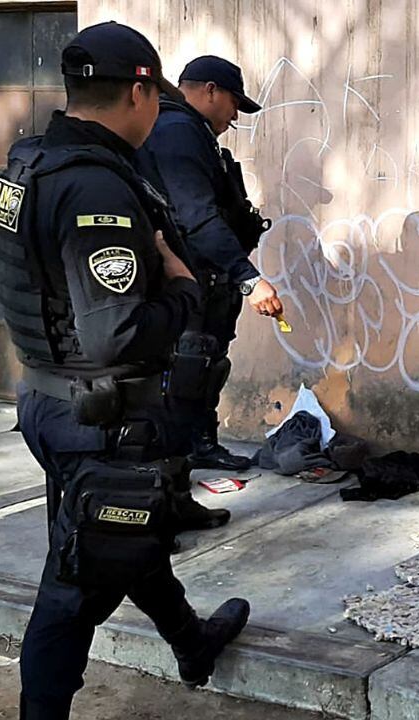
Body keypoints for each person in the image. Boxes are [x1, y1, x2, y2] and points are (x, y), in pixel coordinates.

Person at [0, 22, 249, 719]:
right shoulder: (94, 189)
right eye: (156, 96)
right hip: (102, 418)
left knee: (123, 534)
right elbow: (115, 333)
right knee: (74, 588)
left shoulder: (30, 164)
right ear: (139, 91)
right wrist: (184, 288)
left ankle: (192, 644)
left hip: (51, 400)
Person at [136, 54, 280, 486]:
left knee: (206, 363)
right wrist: (248, 278)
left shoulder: (188, 130)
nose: (234, 117)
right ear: (211, 91)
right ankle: (178, 462)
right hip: (190, 276)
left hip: (205, 277)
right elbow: (197, 217)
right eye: (234, 104)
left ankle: (199, 445)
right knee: (191, 365)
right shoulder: (178, 131)